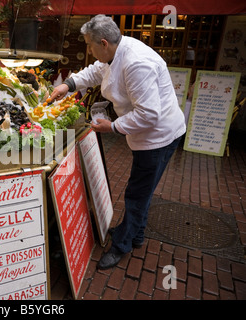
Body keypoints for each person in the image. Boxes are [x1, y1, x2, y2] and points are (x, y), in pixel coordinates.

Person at [49, 15, 186, 270]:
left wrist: (112, 127)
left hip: (159, 137)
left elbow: (149, 114)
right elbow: (96, 71)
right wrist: (68, 84)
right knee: (143, 189)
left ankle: (121, 245)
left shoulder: (136, 63)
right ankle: (136, 235)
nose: (88, 51)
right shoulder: (115, 49)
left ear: (103, 42)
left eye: (89, 46)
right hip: (148, 133)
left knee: (137, 193)